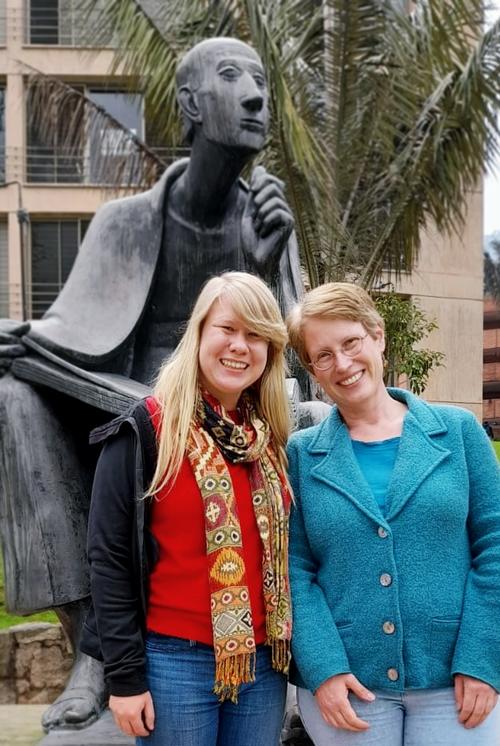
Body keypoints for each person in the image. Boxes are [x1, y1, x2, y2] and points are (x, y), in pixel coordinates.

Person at [0, 37, 302, 730]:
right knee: (15, 396)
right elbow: (67, 332)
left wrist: (264, 267)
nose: (256, 95)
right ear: (192, 104)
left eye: (261, 80)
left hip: (239, 405)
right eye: (232, 78)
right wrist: (21, 340)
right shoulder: (125, 222)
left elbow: (292, 351)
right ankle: (94, 653)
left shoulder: (269, 223)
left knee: (310, 424)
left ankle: (293, 647)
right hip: (135, 398)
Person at [81, 271, 293, 745]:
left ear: (270, 352)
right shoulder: (148, 429)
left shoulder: (269, 440)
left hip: (261, 666)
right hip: (174, 664)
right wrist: (125, 679)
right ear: (199, 332)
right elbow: (108, 559)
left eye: (256, 334)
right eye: (228, 329)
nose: (241, 345)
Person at [285, 281, 500, 745]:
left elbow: (496, 547)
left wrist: (483, 658)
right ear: (311, 369)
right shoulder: (301, 455)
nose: (342, 364)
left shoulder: (458, 434)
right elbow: (292, 570)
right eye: (323, 355)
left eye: (351, 342)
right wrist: (323, 668)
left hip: (456, 682)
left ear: (378, 336)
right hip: (348, 689)